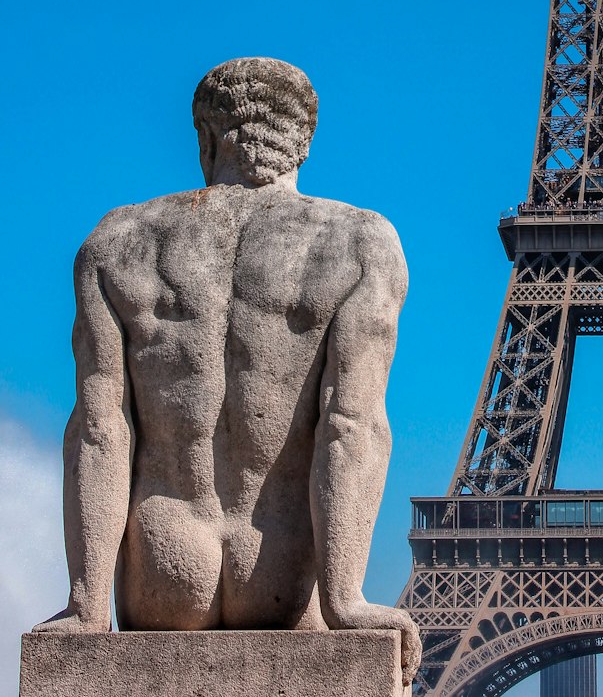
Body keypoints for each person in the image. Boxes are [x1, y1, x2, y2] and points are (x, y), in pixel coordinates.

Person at [34, 56, 421, 684]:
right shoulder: (359, 242)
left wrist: (85, 607)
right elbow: (352, 425)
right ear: (302, 141)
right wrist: (345, 601)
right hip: (283, 570)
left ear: (208, 137)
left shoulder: (116, 241)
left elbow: (99, 429)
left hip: (163, 572)